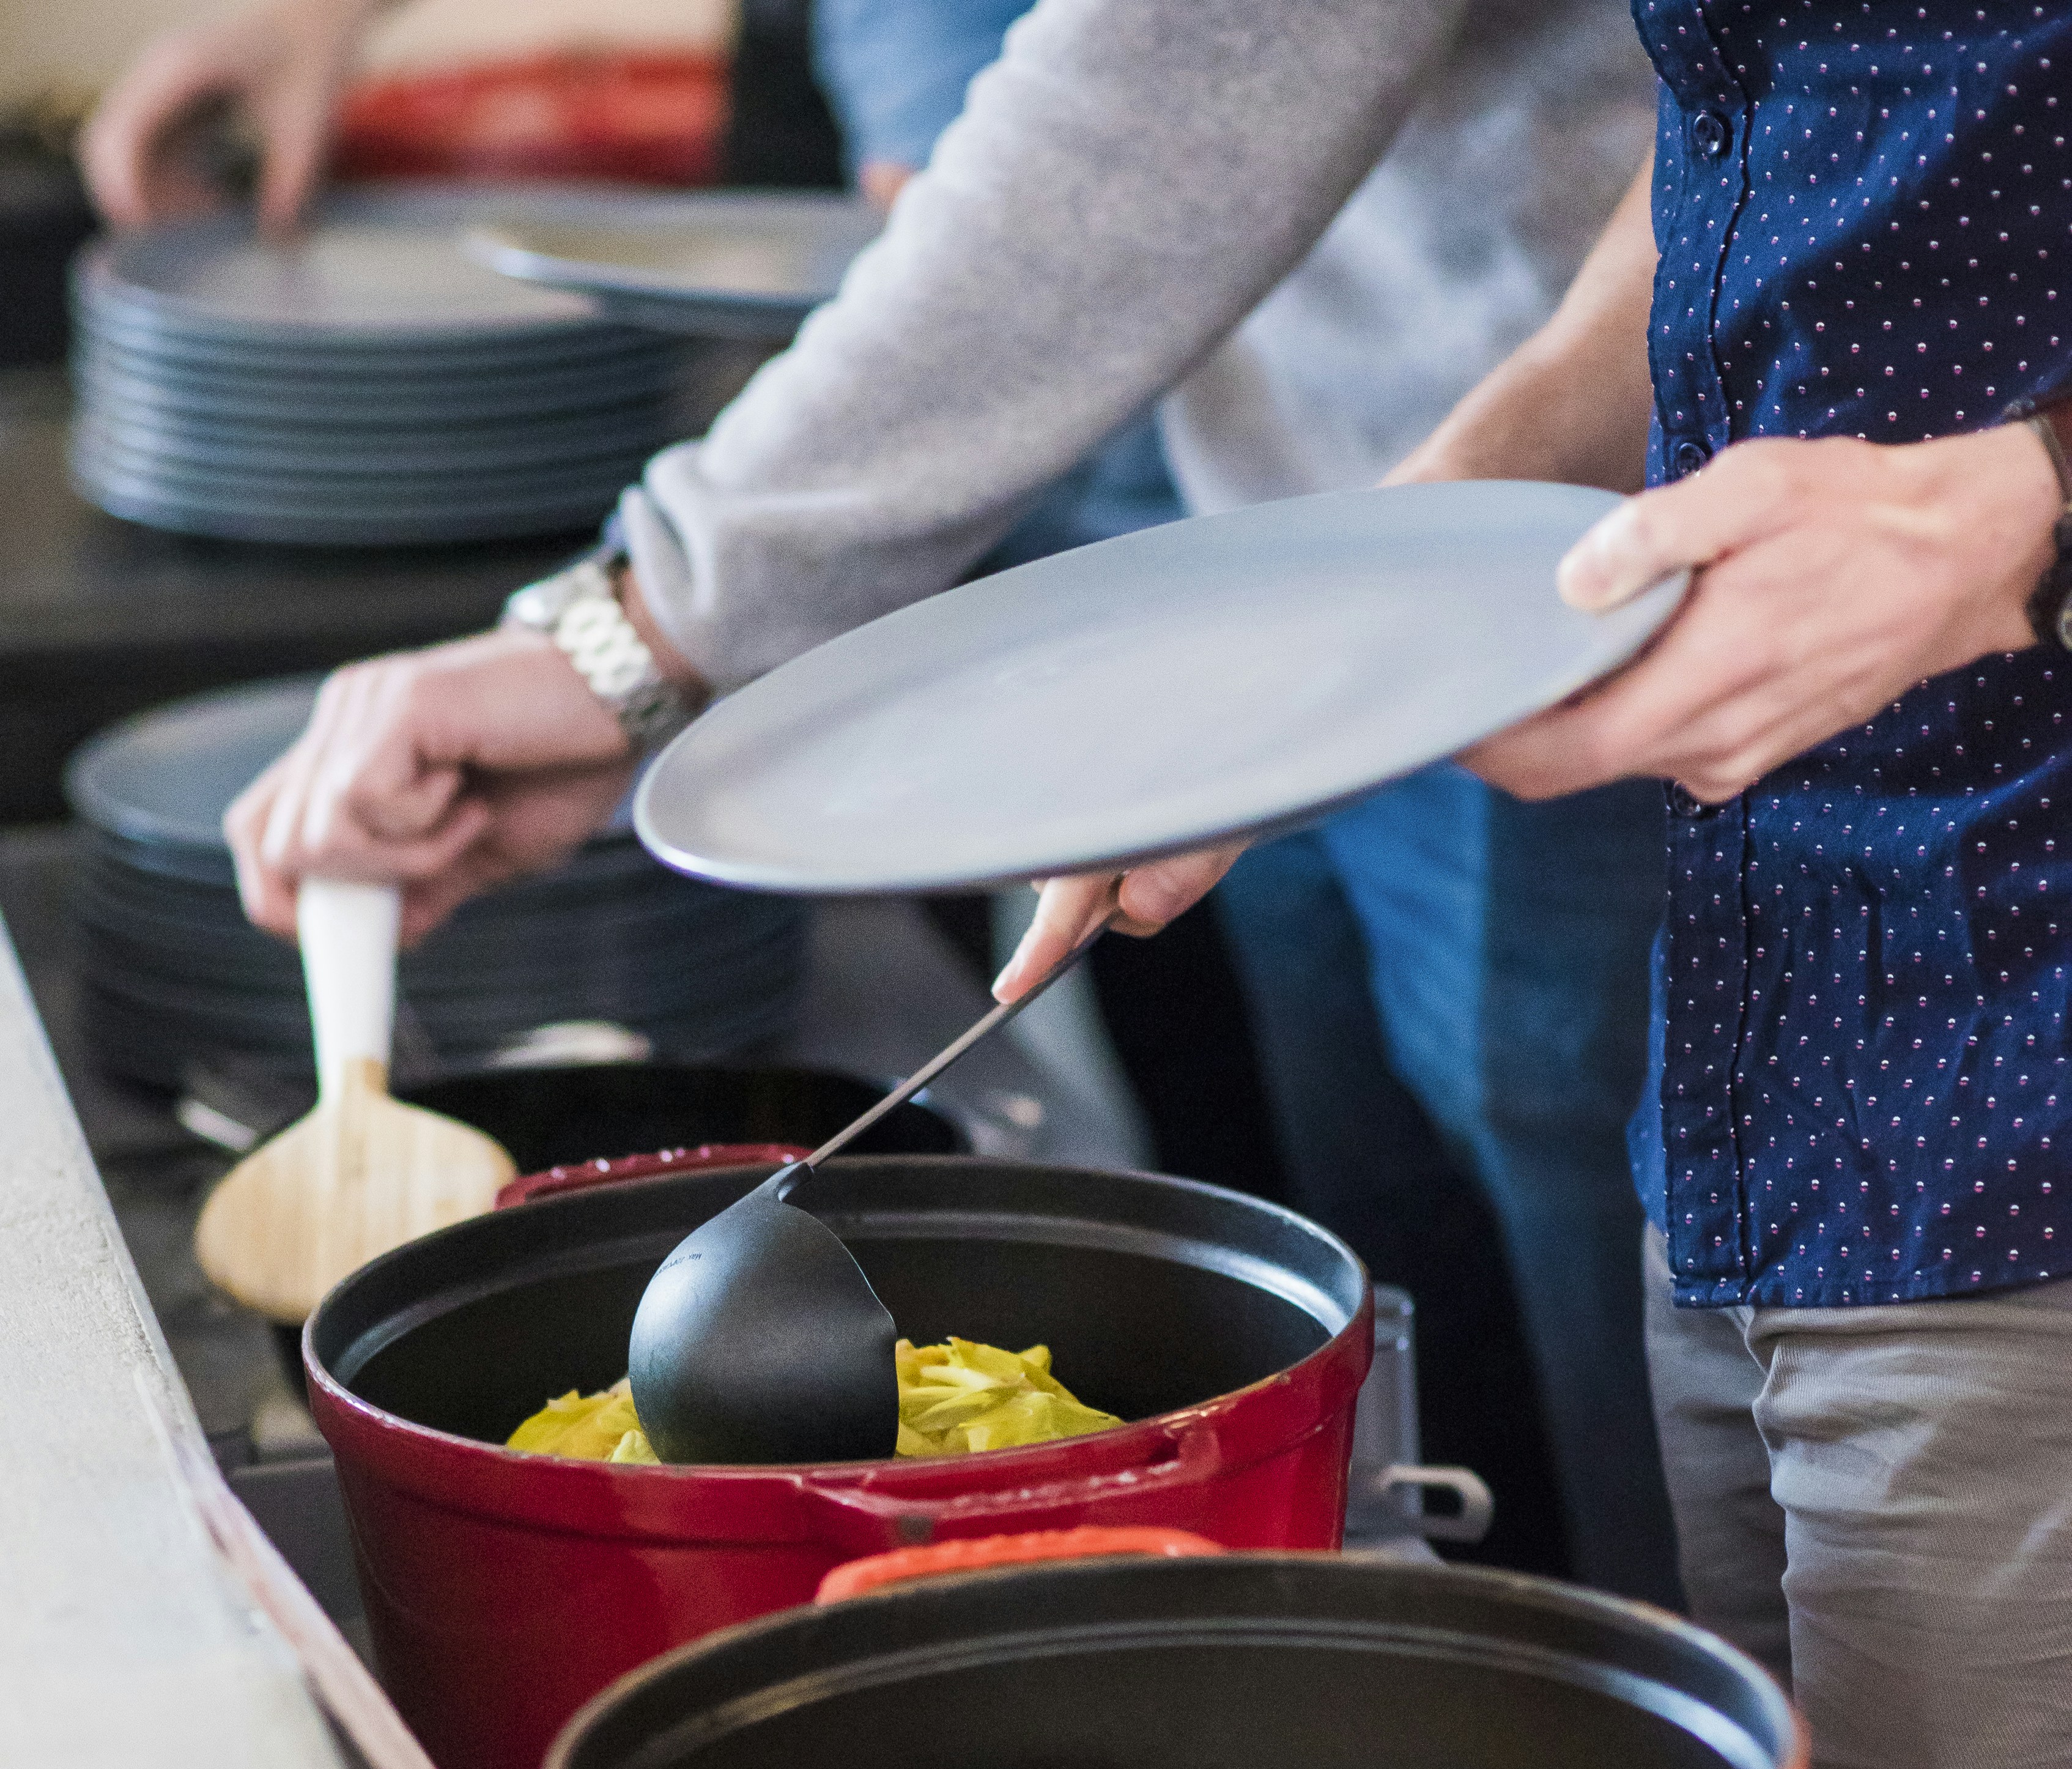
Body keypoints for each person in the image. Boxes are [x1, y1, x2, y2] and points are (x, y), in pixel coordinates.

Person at [86, 0, 1685, 1597]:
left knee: (1640, 1438)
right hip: (1307, 520)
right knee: (1423, 1308)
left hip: (1609, 561)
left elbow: (1177, 72)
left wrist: (647, 630)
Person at [1003, 23, 2072, 1769]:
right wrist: (1364, 602)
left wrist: (2027, 501)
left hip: (2034, 1062)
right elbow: (1775, 144)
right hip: (1794, 996)